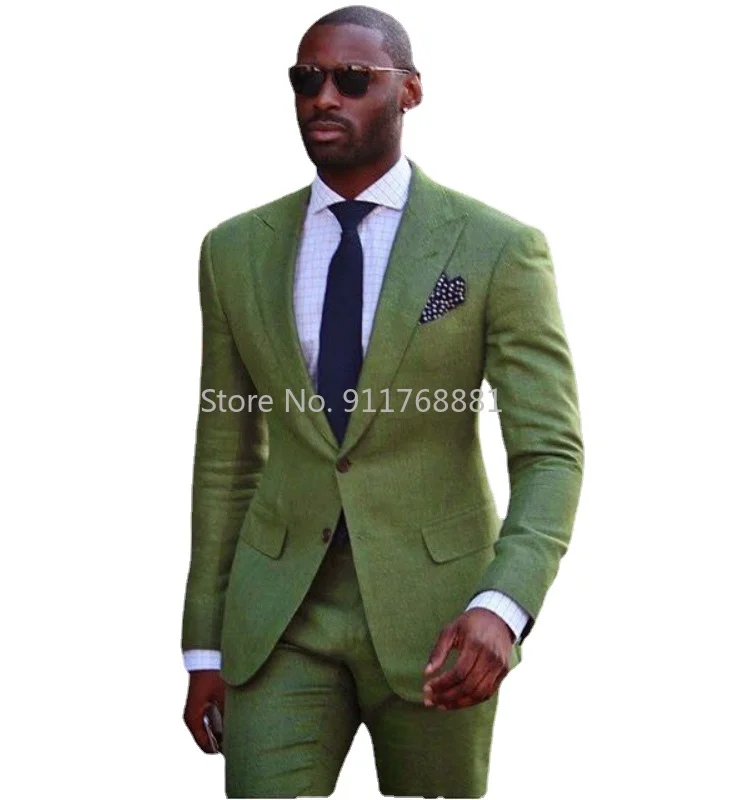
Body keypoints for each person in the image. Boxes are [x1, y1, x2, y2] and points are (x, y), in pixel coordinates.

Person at [181, 5, 584, 797]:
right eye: (307, 79)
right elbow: (226, 457)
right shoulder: (234, 251)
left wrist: (504, 604)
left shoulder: (496, 248)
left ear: (410, 91)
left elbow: (550, 452)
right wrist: (205, 644)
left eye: (353, 78)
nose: (324, 96)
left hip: (441, 618)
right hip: (279, 615)